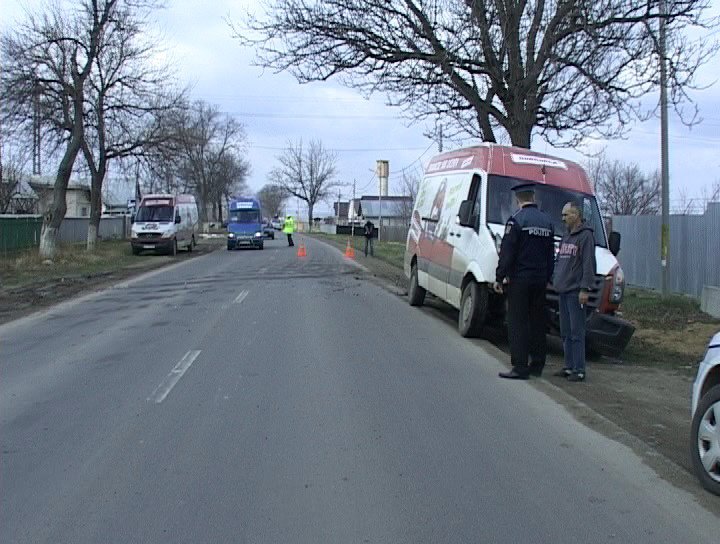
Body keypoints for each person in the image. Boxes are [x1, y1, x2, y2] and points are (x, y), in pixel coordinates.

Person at [494, 182, 555, 380]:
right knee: (537, 322)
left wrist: (499, 276)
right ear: (533, 198)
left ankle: (520, 367)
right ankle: (537, 365)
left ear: (518, 199)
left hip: (520, 280)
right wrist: (548, 277)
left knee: (517, 322)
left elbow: (508, 253)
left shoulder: (516, 221)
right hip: (540, 281)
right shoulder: (547, 222)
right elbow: (550, 255)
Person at [552, 201, 597, 382]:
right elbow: (559, 260)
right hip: (562, 290)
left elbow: (588, 264)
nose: (563, 218)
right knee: (565, 331)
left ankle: (579, 369)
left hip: (575, 291)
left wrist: (585, 288)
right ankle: (568, 366)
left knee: (576, 331)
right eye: (562, 215)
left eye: (566, 215)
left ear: (576, 215)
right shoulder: (566, 236)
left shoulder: (585, 236)